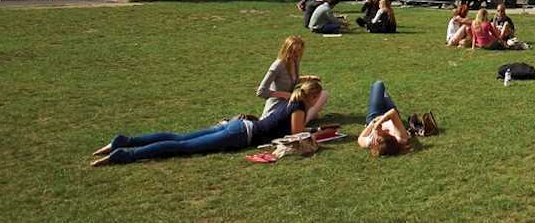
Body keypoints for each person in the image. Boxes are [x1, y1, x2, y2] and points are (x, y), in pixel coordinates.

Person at [92, 81, 322, 166]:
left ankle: (125, 141)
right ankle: (126, 154)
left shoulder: (291, 99)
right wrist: (316, 134)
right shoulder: (299, 106)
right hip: (242, 135)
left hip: (237, 125)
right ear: (311, 97)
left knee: (180, 137)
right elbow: (297, 134)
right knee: (184, 147)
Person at [255, 35, 329, 122]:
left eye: (299, 51)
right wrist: (284, 95)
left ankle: (304, 118)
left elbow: (292, 81)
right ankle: (303, 121)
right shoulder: (277, 66)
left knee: (323, 94)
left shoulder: (295, 61)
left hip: (291, 102)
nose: (297, 54)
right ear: (286, 50)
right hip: (278, 105)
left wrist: (308, 78)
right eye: (294, 51)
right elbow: (261, 92)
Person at [356, 80, 414, 158]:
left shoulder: (372, 141)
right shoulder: (401, 138)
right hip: (391, 115)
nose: (381, 130)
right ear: (390, 137)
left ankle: (383, 96)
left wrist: (373, 124)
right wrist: (378, 124)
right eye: (383, 134)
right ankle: (383, 96)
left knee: (378, 84)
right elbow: (393, 113)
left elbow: (360, 139)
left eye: (377, 138)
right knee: (383, 95)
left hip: (375, 115)